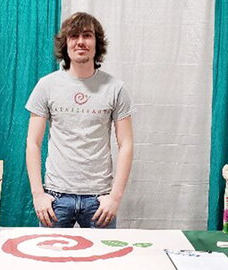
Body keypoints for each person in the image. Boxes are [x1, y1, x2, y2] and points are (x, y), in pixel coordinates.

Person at [25, 12, 134, 228]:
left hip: (99, 199)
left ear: (97, 42)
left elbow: (126, 144)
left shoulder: (115, 88)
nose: (81, 41)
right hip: (56, 198)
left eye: (87, 35)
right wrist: (38, 194)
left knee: (103, 261)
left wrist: (115, 197)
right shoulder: (46, 86)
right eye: (74, 36)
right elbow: (33, 143)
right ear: (66, 44)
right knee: (50, 261)